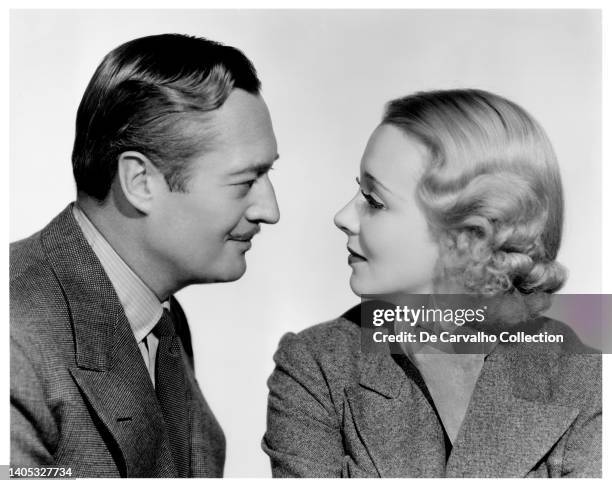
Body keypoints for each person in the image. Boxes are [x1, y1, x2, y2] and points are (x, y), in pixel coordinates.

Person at [262, 89, 601, 477]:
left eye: (373, 201)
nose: (343, 217)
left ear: (469, 235)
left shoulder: (585, 376)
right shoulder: (315, 366)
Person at [10, 33, 280, 478]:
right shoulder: (15, 337)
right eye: (244, 182)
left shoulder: (161, 322)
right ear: (139, 181)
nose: (269, 211)